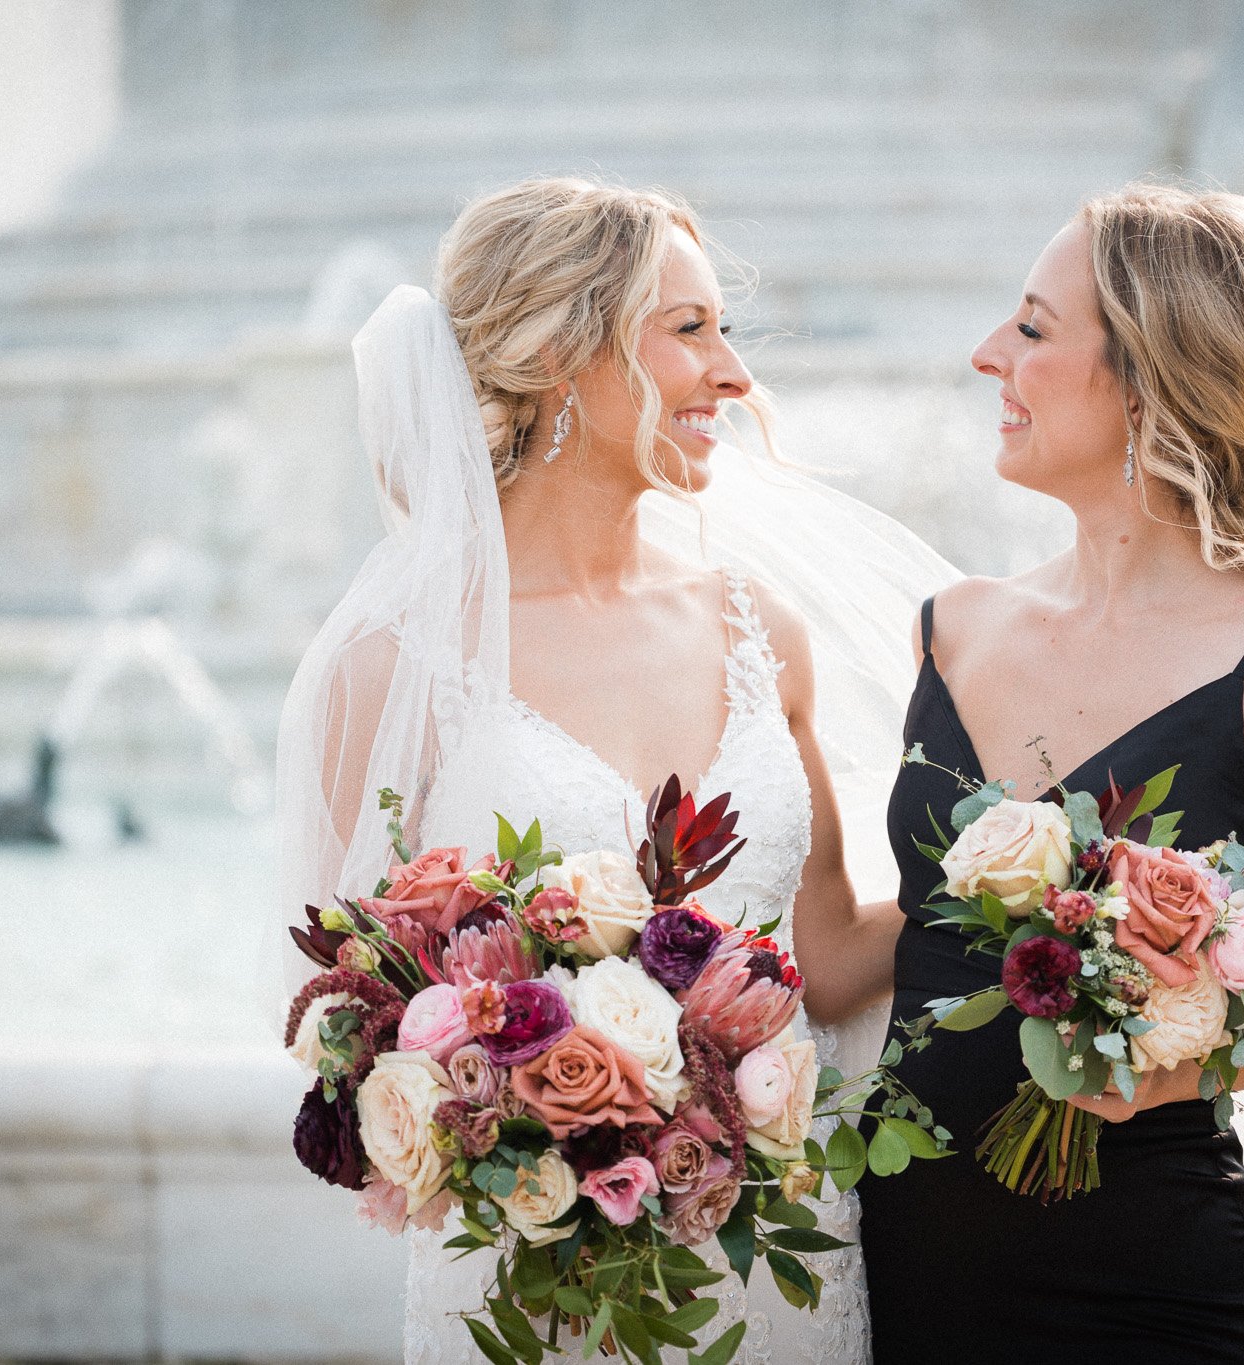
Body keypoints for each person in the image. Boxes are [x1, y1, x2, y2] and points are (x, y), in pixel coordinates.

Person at [273, 176, 942, 1365]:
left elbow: (828, 953)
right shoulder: (394, 666)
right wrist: (538, 1112)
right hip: (536, 1294)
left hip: (780, 1268)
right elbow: (356, 1027)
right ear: (556, 356)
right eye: (689, 331)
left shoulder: (757, 629)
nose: (735, 374)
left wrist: (1031, 902)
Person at [856, 183, 1244, 1363]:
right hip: (913, 1259)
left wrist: (1166, 1069)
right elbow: (905, 927)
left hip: (1146, 1282)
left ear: (1149, 379)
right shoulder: (948, 627)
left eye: (1030, 328)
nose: (983, 355)